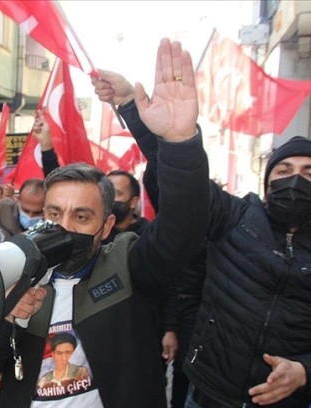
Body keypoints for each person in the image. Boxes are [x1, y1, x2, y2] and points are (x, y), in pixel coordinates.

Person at [0, 38, 210, 407]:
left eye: (81, 216)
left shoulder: (129, 264)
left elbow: (184, 223)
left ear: (107, 227)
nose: (65, 226)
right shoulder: (18, 273)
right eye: (54, 213)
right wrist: (7, 319)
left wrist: (178, 143)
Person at [95, 70, 311, 407]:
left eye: (309, 173)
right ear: (268, 183)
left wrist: (307, 370)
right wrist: (140, 112)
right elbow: (185, 176)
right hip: (208, 396)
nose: (295, 180)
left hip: (285, 400)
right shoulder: (235, 216)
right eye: (283, 170)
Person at [94, 68, 206, 407]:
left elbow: (172, 281)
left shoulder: (151, 240)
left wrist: (173, 137)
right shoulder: (87, 240)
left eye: (115, 192)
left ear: (132, 200)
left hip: (150, 333)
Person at [103, 170, 149, 242]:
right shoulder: (98, 232)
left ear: (133, 202)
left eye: (116, 193)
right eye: (105, 192)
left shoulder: (148, 235)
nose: (108, 197)